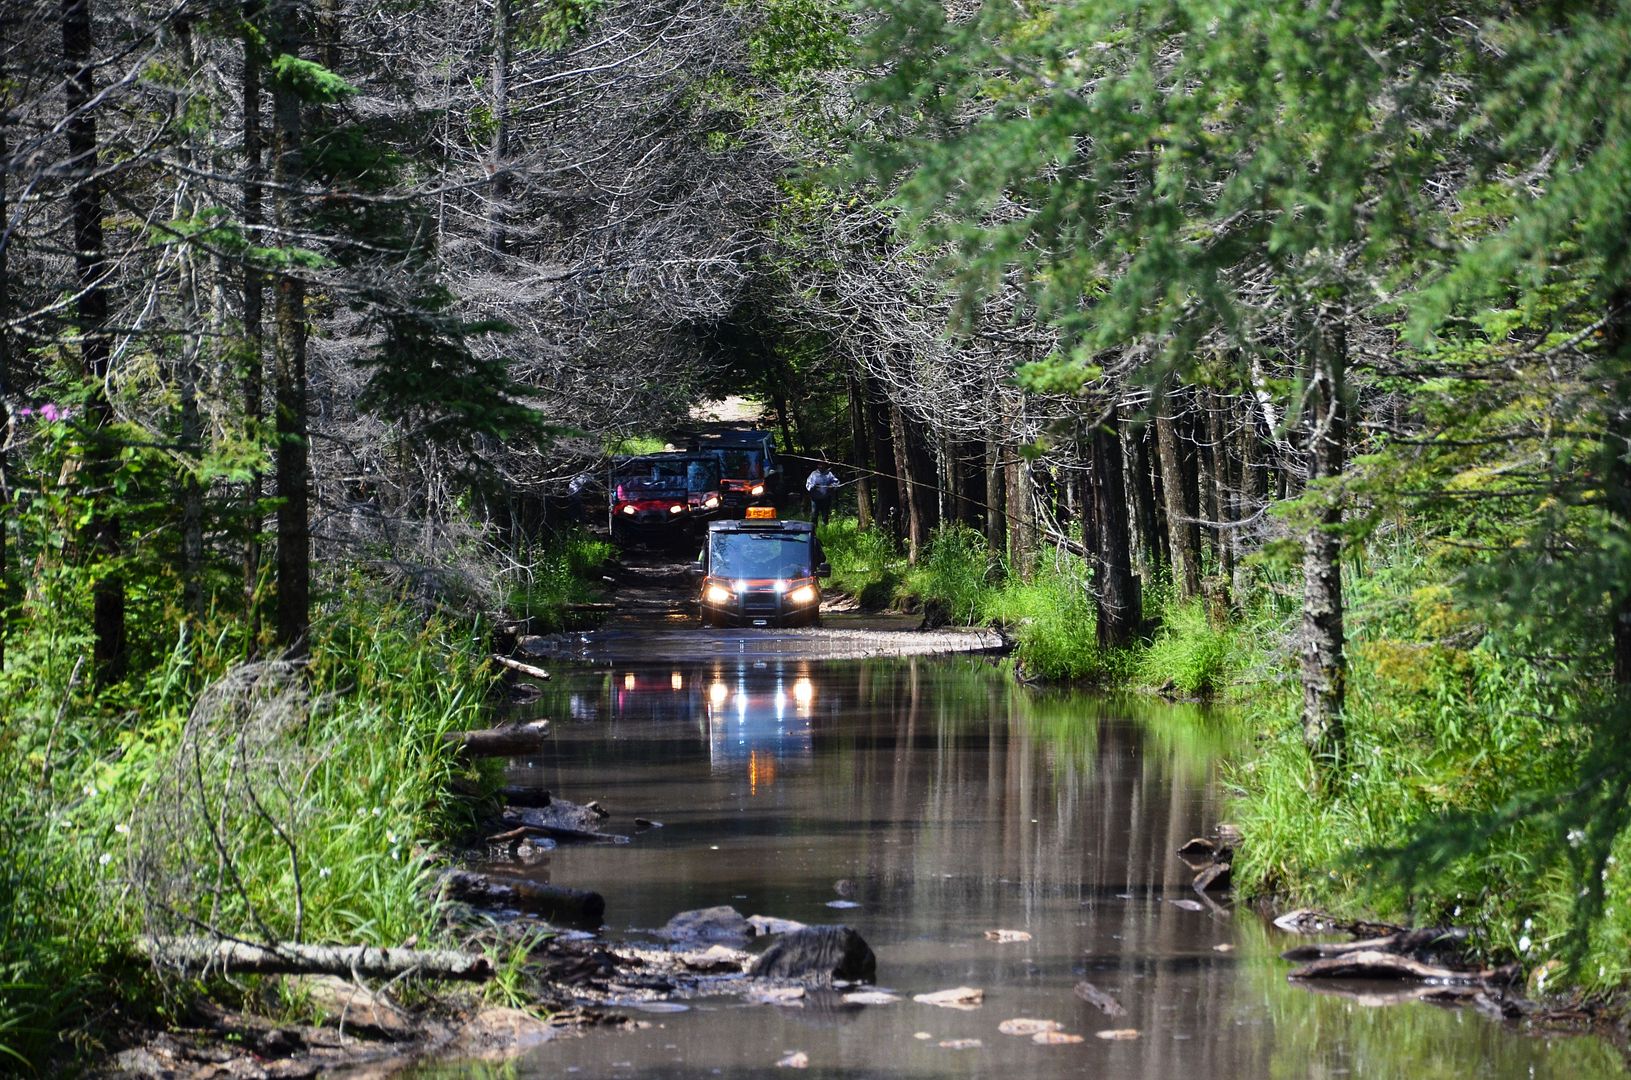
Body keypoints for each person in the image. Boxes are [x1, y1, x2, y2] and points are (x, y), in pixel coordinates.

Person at [805, 461, 838, 525]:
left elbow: (836, 482)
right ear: (817, 465)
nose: (821, 466)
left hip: (826, 498)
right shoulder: (813, 474)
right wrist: (812, 487)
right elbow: (808, 485)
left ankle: (824, 531)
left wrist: (832, 486)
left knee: (825, 516)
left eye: (822, 464)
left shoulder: (829, 474)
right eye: (820, 465)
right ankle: (813, 530)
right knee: (814, 515)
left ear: (825, 465)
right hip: (815, 499)